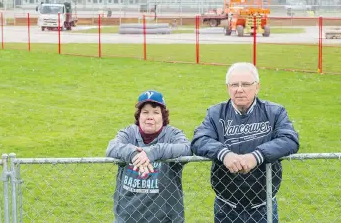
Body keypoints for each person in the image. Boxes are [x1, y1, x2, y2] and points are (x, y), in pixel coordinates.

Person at [191, 62, 300, 223]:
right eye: (234, 84)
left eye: (246, 84)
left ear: (257, 87)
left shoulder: (274, 112)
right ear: (228, 88)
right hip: (226, 206)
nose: (239, 89)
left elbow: (290, 139)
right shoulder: (216, 113)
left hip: (263, 206)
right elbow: (199, 140)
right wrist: (224, 154)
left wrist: (257, 156)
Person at [106, 90, 192, 223]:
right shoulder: (129, 133)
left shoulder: (172, 134)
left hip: (166, 218)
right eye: (145, 112)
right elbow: (112, 147)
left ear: (163, 116)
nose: (149, 117)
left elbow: (187, 148)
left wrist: (153, 152)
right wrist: (134, 154)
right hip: (128, 217)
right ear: (138, 116)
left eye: (155, 112)